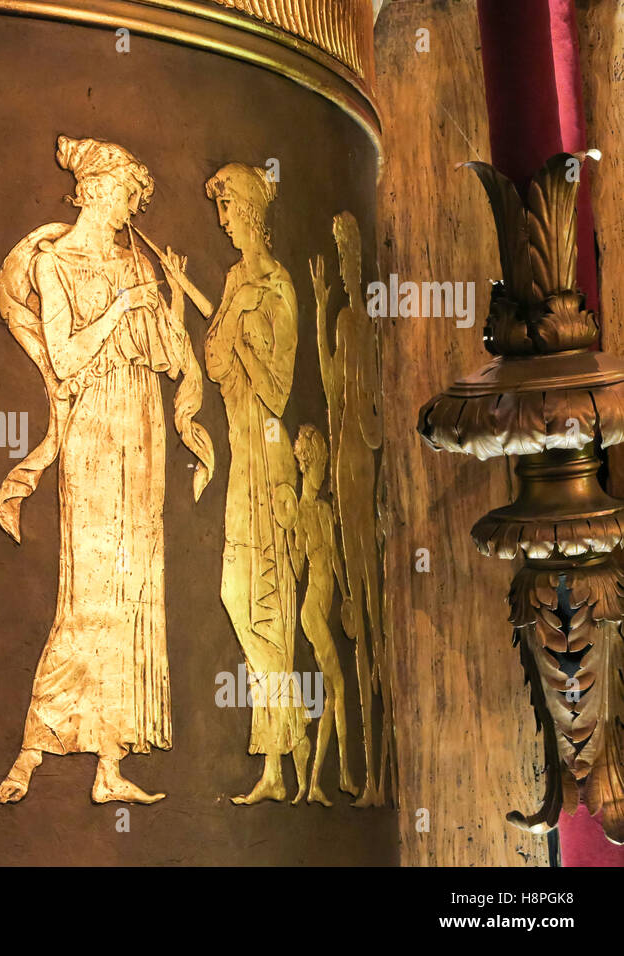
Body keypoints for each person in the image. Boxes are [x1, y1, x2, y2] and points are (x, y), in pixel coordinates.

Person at [0, 136, 212, 805]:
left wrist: (167, 303)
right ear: (89, 190)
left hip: (140, 422)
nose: (126, 207)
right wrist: (120, 308)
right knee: (88, 590)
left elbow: (168, 358)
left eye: (131, 197)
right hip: (95, 424)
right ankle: (33, 747)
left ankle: (110, 764)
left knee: (134, 588)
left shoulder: (134, 262)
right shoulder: (58, 263)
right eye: (119, 193)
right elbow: (66, 357)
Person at [201, 162, 309, 805]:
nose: (223, 221)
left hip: (269, 461)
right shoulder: (238, 280)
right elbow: (214, 361)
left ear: (253, 212)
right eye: (220, 210)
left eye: (230, 209)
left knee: (268, 607)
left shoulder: (277, 285)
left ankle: (277, 765)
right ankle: (278, 749)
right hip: (244, 459)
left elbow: (277, 389)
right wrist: (230, 319)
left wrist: (241, 328)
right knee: (236, 597)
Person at [310, 211, 385, 806]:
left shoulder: (364, 326)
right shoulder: (341, 319)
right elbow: (334, 390)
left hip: (361, 488)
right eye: (342, 258)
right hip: (343, 485)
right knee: (357, 625)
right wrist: (317, 307)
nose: (346, 267)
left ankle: (380, 773)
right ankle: (369, 778)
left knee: (373, 632)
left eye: (350, 255)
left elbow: (372, 423)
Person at [288, 423, 355, 805]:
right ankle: (343, 773)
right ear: (306, 466)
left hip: (328, 606)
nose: (320, 472)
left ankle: (317, 782)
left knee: (333, 694)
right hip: (312, 612)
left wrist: (347, 597)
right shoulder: (299, 512)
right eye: (316, 466)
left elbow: (334, 561)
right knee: (339, 688)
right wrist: (289, 537)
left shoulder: (324, 510)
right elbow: (299, 571)